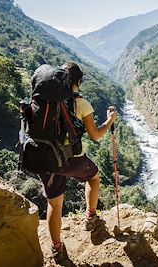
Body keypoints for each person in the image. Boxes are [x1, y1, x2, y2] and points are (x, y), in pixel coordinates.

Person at [38, 62, 117, 265]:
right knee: (93, 177)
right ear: (78, 82)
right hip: (71, 159)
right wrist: (109, 121)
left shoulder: (43, 100)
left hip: (44, 158)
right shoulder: (80, 103)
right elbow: (95, 135)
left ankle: (57, 249)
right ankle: (91, 217)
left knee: (54, 204)